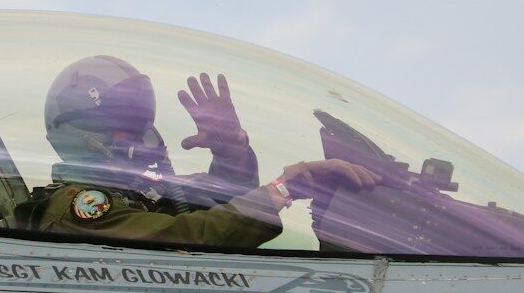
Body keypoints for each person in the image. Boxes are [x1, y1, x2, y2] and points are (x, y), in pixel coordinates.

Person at [25, 54, 379, 248]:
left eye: (141, 121)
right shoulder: (79, 208)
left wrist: (232, 153)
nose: (142, 134)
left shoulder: (138, 195)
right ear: (84, 131)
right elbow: (188, 235)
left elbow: (215, 201)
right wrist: (284, 189)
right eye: (125, 122)